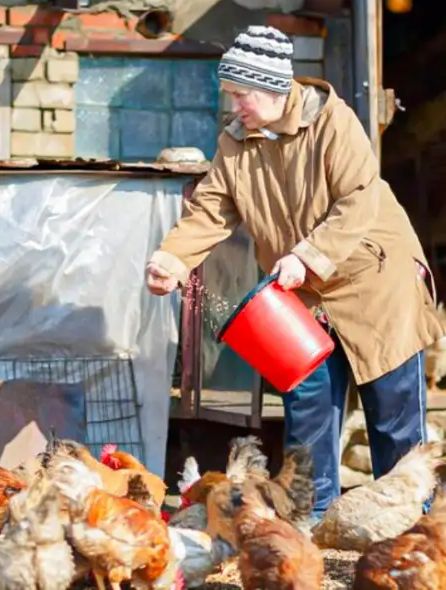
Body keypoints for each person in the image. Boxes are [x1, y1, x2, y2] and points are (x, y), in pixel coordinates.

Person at [145, 25, 444, 524]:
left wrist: (307, 255)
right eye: (232, 95)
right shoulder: (236, 141)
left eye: (241, 95)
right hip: (302, 297)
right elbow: (212, 209)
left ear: (273, 87)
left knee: (393, 422)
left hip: (375, 283)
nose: (234, 105)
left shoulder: (334, 124)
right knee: (307, 415)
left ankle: (411, 526)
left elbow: (359, 199)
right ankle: (313, 521)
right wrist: (174, 258)